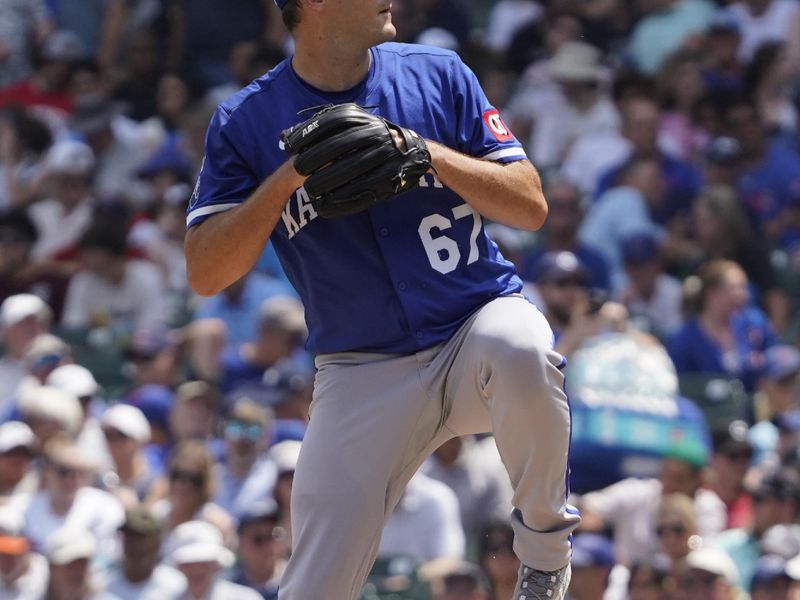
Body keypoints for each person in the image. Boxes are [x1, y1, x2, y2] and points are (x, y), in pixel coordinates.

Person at [184, 2, 581, 599]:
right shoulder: (245, 120)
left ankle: (545, 557)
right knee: (312, 586)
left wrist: (425, 152)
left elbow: (530, 204)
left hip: (473, 326)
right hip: (362, 369)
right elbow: (205, 271)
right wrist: (290, 176)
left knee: (521, 345)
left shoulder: (437, 74)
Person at [104, 505, 187, 600]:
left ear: (157, 543)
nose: (134, 545)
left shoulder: (176, 586)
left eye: (140, 538)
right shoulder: (106, 586)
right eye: (129, 538)